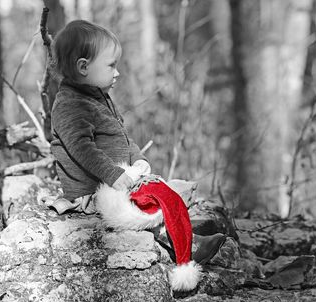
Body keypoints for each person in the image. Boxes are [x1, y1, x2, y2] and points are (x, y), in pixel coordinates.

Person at [49, 20, 226, 291]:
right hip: (94, 190)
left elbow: (121, 135)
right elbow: (82, 149)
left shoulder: (98, 96)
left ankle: (185, 237)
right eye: (110, 66)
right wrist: (113, 174)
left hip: (119, 177)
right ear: (83, 67)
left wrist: (137, 158)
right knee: (153, 203)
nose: (117, 73)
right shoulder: (69, 105)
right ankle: (185, 248)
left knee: (167, 192)